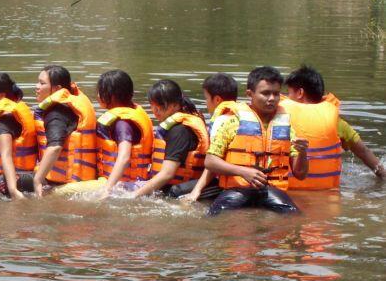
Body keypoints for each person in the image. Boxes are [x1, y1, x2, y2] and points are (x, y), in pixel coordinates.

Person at [205, 66, 309, 215]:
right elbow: (210, 161)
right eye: (265, 93)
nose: (272, 98)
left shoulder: (286, 127)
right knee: (214, 215)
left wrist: (303, 153)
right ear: (250, 94)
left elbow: (301, 174)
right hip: (237, 189)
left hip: (271, 190)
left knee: (295, 216)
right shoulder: (232, 122)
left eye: (276, 93)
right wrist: (243, 172)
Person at [283, 65, 384, 189]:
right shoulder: (336, 121)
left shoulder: (280, 118)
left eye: (289, 93)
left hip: (287, 195)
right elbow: (363, 152)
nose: (287, 97)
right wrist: (383, 175)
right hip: (328, 194)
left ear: (300, 93)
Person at [131, 79, 209, 199]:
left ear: (175, 105)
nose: (155, 110)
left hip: (177, 191)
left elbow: (167, 174)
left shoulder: (180, 131)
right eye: (152, 104)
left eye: (161, 105)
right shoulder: (177, 125)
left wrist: (133, 196)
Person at [31, 65, 98, 197]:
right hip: (81, 180)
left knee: (4, 184)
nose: (36, 86)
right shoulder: (70, 106)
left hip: (64, 185)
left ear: (57, 89)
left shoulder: (56, 113)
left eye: (42, 83)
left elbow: (55, 147)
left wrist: (38, 180)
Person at [179, 73, 240, 202]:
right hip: (244, 178)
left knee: (176, 192)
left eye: (206, 98)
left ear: (217, 99)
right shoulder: (244, 115)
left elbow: (212, 162)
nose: (206, 103)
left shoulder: (222, 121)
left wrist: (196, 191)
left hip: (230, 183)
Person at [95, 69, 154, 198]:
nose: (98, 96)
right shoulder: (131, 113)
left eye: (100, 91)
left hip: (126, 185)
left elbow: (124, 157)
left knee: (59, 192)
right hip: (132, 182)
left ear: (112, 96)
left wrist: (107, 189)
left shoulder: (123, 123)